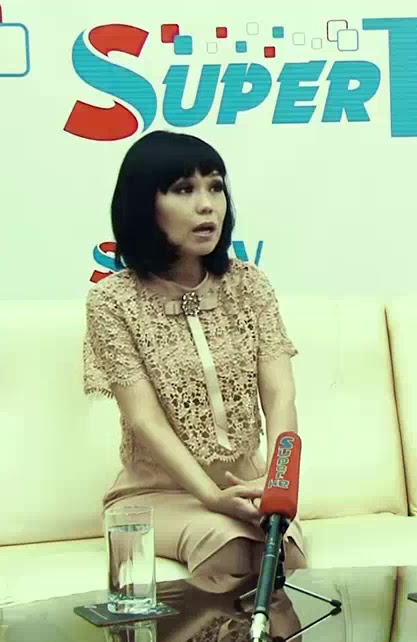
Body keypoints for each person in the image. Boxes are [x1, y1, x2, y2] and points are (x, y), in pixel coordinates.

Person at [83, 130, 307, 583]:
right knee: (229, 548)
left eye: (215, 187)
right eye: (184, 190)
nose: (207, 206)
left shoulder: (249, 285)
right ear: (144, 204)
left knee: (283, 555)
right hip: (156, 495)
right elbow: (144, 420)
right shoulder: (112, 302)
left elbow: (281, 395)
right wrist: (209, 496)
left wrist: (277, 484)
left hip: (251, 485)